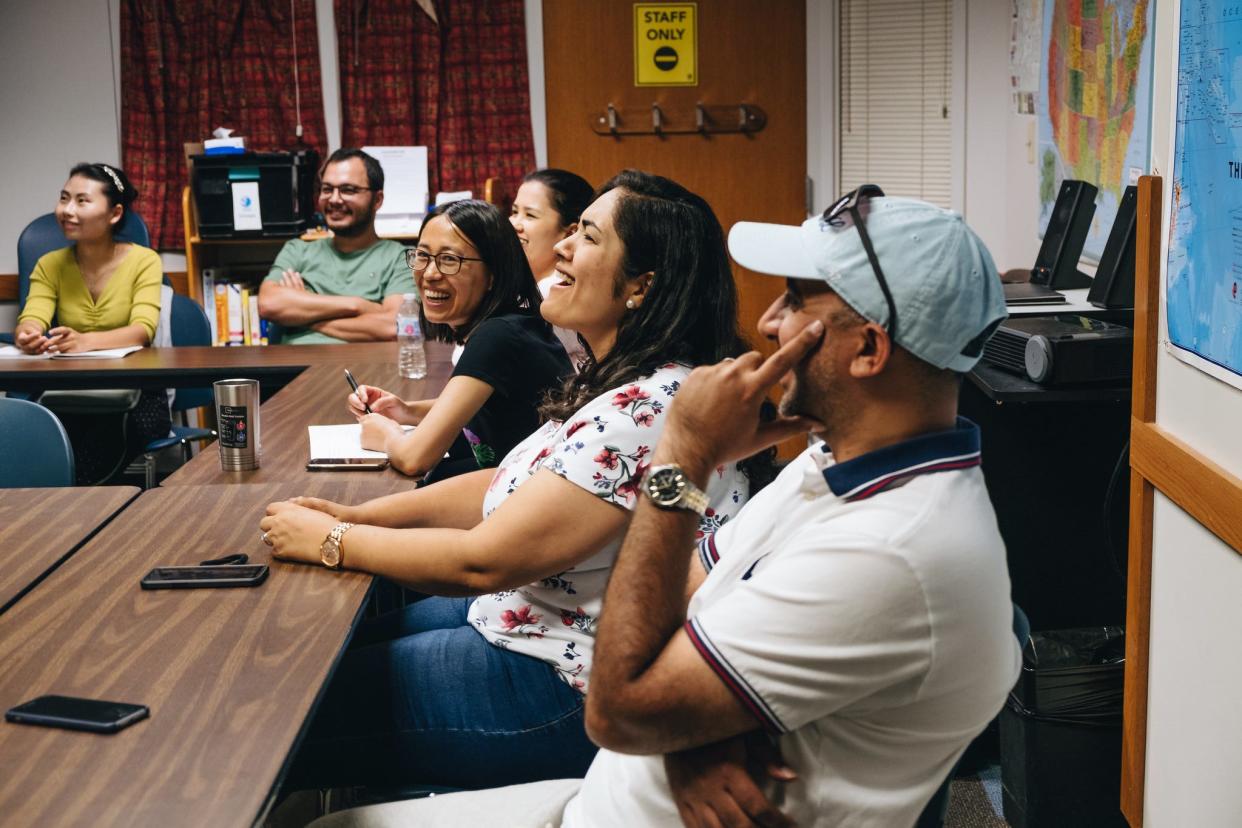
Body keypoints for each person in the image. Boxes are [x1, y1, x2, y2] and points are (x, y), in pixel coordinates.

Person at [309, 191, 1023, 827]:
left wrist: (683, 455)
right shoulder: (833, 464)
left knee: (298, 772)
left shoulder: (889, 549)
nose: (769, 321)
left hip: (605, 778)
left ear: (868, 348)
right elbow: (690, 591)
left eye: (797, 300)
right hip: (610, 793)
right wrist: (693, 725)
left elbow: (617, 709)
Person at [259, 170, 756, 792]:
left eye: (589, 238)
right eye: (570, 231)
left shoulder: (647, 409)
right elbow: (509, 481)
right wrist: (353, 516)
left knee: (277, 710)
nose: (563, 248)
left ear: (640, 286)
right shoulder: (622, 376)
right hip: (531, 620)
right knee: (316, 659)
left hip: (562, 678)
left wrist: (332, 541)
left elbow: (481, 563)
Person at [347, 199, 571, 480]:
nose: (430, 274)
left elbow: (414, 459)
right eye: (423, 256)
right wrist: (405, 411)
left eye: (450, 260)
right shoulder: (509, 326)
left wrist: (388, 435)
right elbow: (483, 407)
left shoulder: (499, 336)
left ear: (493, 274)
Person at [14, 162, 170, 483]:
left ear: (114, 214)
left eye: (82, 201)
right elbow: (33, 316)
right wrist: (27, 335)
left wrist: (85, 340)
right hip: (71, 393)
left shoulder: (144, 261)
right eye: (63, 198)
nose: (67, 210)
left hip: (134, 394)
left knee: (86, 461)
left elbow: (142, 331)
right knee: (35, 437)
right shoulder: (50, 264)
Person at [257, 148, 414, 344]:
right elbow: (268, 304)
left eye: (348, 190)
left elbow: (393, 327)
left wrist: (303, 315)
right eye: (327, 189)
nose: (334, 199)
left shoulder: (401, 258)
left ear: (377, 200)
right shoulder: (297, 250)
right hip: (293, 368)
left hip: (363, 371)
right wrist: (357, 305)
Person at [509, 168, 594, 365]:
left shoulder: (553, 292)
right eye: (514, 212)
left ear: (570, 232)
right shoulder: (530, 285)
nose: (514, 223)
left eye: (530, 215)